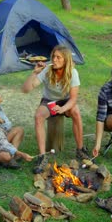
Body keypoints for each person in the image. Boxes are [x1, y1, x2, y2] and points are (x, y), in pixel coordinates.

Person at [22, 45, 88, 174]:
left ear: (66, 60)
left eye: (59, 57)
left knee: (75, 112)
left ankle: (80, 150)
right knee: (38, 116)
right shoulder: (47, 70)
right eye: (53, 57)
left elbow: (73, 99)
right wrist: (34, 73)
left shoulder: (73, 73)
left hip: (66, 100)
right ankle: (42, 156)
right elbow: (28, 88)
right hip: (49, 101)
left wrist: (63, 109)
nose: (55, 60)